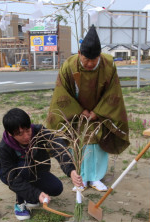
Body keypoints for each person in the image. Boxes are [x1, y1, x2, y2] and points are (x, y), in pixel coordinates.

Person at [46, 25, 130, 192]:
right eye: (86, 60)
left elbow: (113, 92)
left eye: (94, 60)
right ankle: (81, 178)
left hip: (100, 112)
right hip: (76, 113)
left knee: (97, 144)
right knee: (79, 144)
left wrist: (98, 112)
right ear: (79, 54)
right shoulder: (69, 66)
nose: (90, 64)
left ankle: (96, 178)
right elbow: (62, 92)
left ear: (100, 55)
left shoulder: (108, 65)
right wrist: (80, 111)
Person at [0, 108, 83, 220]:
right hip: (13, 175)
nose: (26, 136)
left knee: (56, 188)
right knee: (25, 168)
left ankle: (30, 196)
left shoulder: (38, 131)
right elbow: (11, 178)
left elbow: (58, 146)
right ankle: (20, 202)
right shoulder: (5, 147)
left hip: (37, 171)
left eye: (27, 130)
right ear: (10, 134)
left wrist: (71, 170)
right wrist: (36, 193)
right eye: (20, 134)